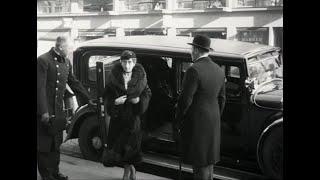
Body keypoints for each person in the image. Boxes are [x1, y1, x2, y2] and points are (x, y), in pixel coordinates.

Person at [37, 36, 95, 180]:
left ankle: (55, 172)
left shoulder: (66, 62)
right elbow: (39, 88)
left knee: (56, 144)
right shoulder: (43, 60)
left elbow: (74, 83)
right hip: (45, 111)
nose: (71, 50)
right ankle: (46, 175)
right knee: (44, 145)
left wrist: (88, 99)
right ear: (61, 47)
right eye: (69, 48)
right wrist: (43, 111)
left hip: (58, 110)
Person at [174, 34, 226, 180]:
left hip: (197, 123)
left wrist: (178, 120)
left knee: (199, 165)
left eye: (192, 49)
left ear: (196, 50)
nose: (191, 52)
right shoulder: (219, 70)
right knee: (209, 163)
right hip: (213, 121)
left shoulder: (193, 70)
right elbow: (222, 99)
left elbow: (185, 100)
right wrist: (214, 116)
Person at [102, 50, 152, 180]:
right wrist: (114, 102)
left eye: (129, 62)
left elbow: (147, 93)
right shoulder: (113, 76)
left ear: (134, 62)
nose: (127, 65)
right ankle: (130, 171)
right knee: (120, 147)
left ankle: (128, 172)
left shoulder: (141, 77)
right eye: (124, 62)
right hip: (118, 117)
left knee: (130, 147)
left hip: (133, 118)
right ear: (120, 62)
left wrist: (139, 101)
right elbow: (106, 95)